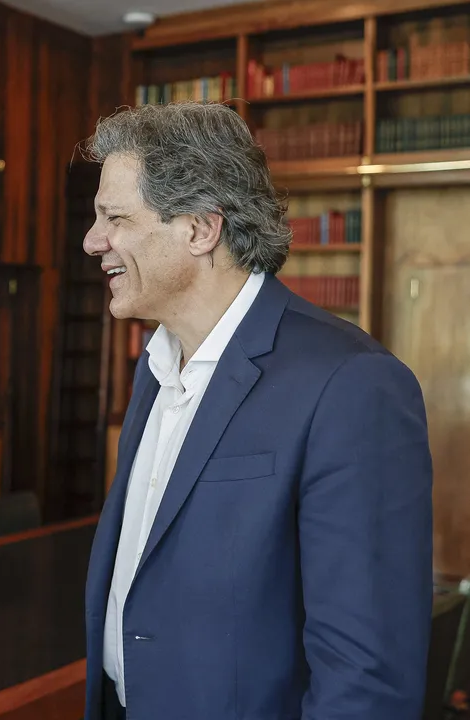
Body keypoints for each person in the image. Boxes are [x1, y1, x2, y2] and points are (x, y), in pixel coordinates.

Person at [80, 102, 433, 719]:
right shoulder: (156, 363)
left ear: (199, 228)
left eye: (114, 217)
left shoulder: (352, 384)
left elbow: (367, 677)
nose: (92, 241)